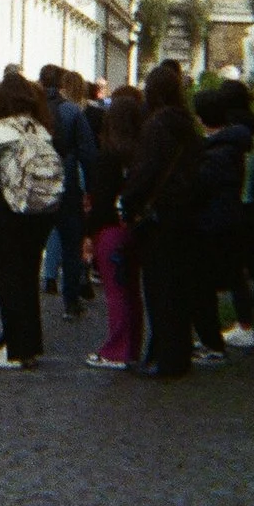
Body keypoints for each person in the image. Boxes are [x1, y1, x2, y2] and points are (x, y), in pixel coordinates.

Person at [0, 74, 65, 370]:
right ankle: (29, 345)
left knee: (10, 279)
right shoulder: (41, 129)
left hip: (9, 207)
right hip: (42, 209)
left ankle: (12, 349)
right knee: (28, 276)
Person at [120, 64, 204, 378]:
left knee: (159, 288)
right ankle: (176, 354)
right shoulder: (188, 124)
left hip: (159, 215)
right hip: (185, 213)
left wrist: (129, 202)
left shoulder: (156, 125)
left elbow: (146, 171)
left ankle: (165, 359)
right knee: (179, 288)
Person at [187, 84, 254, 364]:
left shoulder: (214, 153)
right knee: (226, 279)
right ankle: (216, 337)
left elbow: (200, 189)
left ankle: (212, 343)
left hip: (211, 223)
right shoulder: (232, 145)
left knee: (203, 286)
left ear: (201, 118)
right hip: (228, 219)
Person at [86, 87, 146, 370]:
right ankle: (132, 345)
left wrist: (88, 234)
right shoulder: (142, 155)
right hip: (136, 227)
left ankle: (117, 349)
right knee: (132, 290)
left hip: (110, 229)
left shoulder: (106, 156)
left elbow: (99, 201)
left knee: (116, 292)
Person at [37, 66, 100, 321]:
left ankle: (36, 289)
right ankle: (71, 301)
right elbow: (88, 153)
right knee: (71, 243)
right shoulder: (72, 111)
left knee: (35, 241)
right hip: (67, 180)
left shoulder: (34, 110)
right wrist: (92, 190)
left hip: (37, 183)